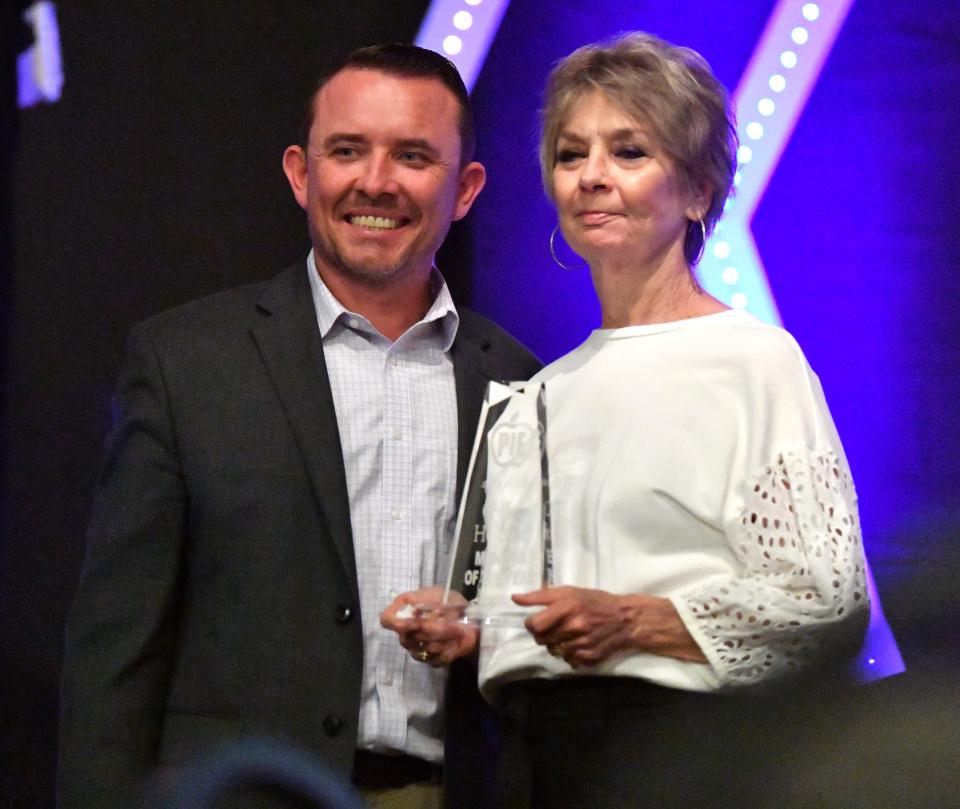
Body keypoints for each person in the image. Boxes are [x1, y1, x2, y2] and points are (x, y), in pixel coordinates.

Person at [382, 32, 871, 808]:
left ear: (701, 190)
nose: (592, 178)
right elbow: (543, 620)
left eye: (630, 151)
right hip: (534, 763)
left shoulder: (752, 361)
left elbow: (827, 601)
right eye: (571, 155)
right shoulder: (539, 391)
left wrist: (637, 621)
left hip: (685, 756)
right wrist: (472, 631)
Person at [57, 43, 540, 809]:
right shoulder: (185, 362)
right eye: (347, 150)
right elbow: (115, 656)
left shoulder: (520, 381)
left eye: (413, 155)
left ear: (467, 188)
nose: (374, 181)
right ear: (299, 172)